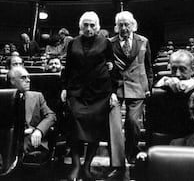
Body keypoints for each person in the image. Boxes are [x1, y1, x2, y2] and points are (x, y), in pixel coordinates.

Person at [61, 11, 114, 181]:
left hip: (99, 93)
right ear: (80, 26)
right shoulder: (73, 43)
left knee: (95, 129)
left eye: (92, 25)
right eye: (86, 24)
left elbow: (112, 68)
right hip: (76, 91)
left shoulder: (105, 42)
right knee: (75, 126)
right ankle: (76, 165)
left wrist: (113, 92)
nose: (89, 28)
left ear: (97, 27)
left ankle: (87, 166)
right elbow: (67, 67)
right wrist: (64, 88)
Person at [108, 11, 153, 178]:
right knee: (115, 127)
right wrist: (110, 91)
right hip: (116, 88)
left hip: (138, 86)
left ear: (133, 25)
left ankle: (132, 155)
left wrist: (149, 86)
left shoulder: (143, 41)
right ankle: (117, 164)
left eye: (127, 24)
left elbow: (148, 67)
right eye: (120, 25)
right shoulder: (109, 43)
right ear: (116, 27)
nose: (124, 28)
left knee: (133, 123)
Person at [7, 67, 56, 163]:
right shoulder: (2, 98)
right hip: (11, 138)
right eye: (23, 77)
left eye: (28, 77)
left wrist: (39, 130)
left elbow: (51, 116)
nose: (28, 80)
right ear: (13, 80)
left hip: (31, 137)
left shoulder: (37, 96)